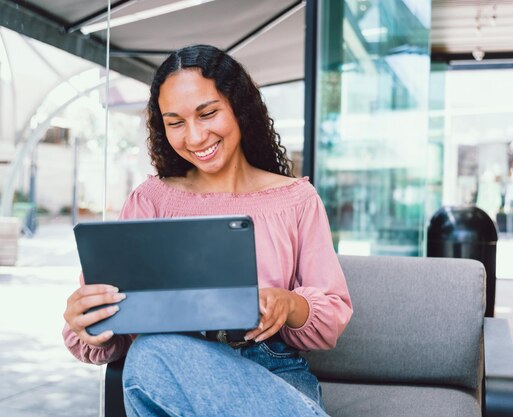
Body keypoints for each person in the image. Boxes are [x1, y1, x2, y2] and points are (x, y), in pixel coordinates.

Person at [62, 44, 353, 417]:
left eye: (208, 113)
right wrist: (87, 318)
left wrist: (288, 302)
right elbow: (110, 330)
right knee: (152, 353)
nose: (196, 137)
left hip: (273, 372)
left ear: (239, 108)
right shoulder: (150, 202)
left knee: (151, 354)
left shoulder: (296, 200)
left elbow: (330, 316)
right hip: (168, 371)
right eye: (176, 122)